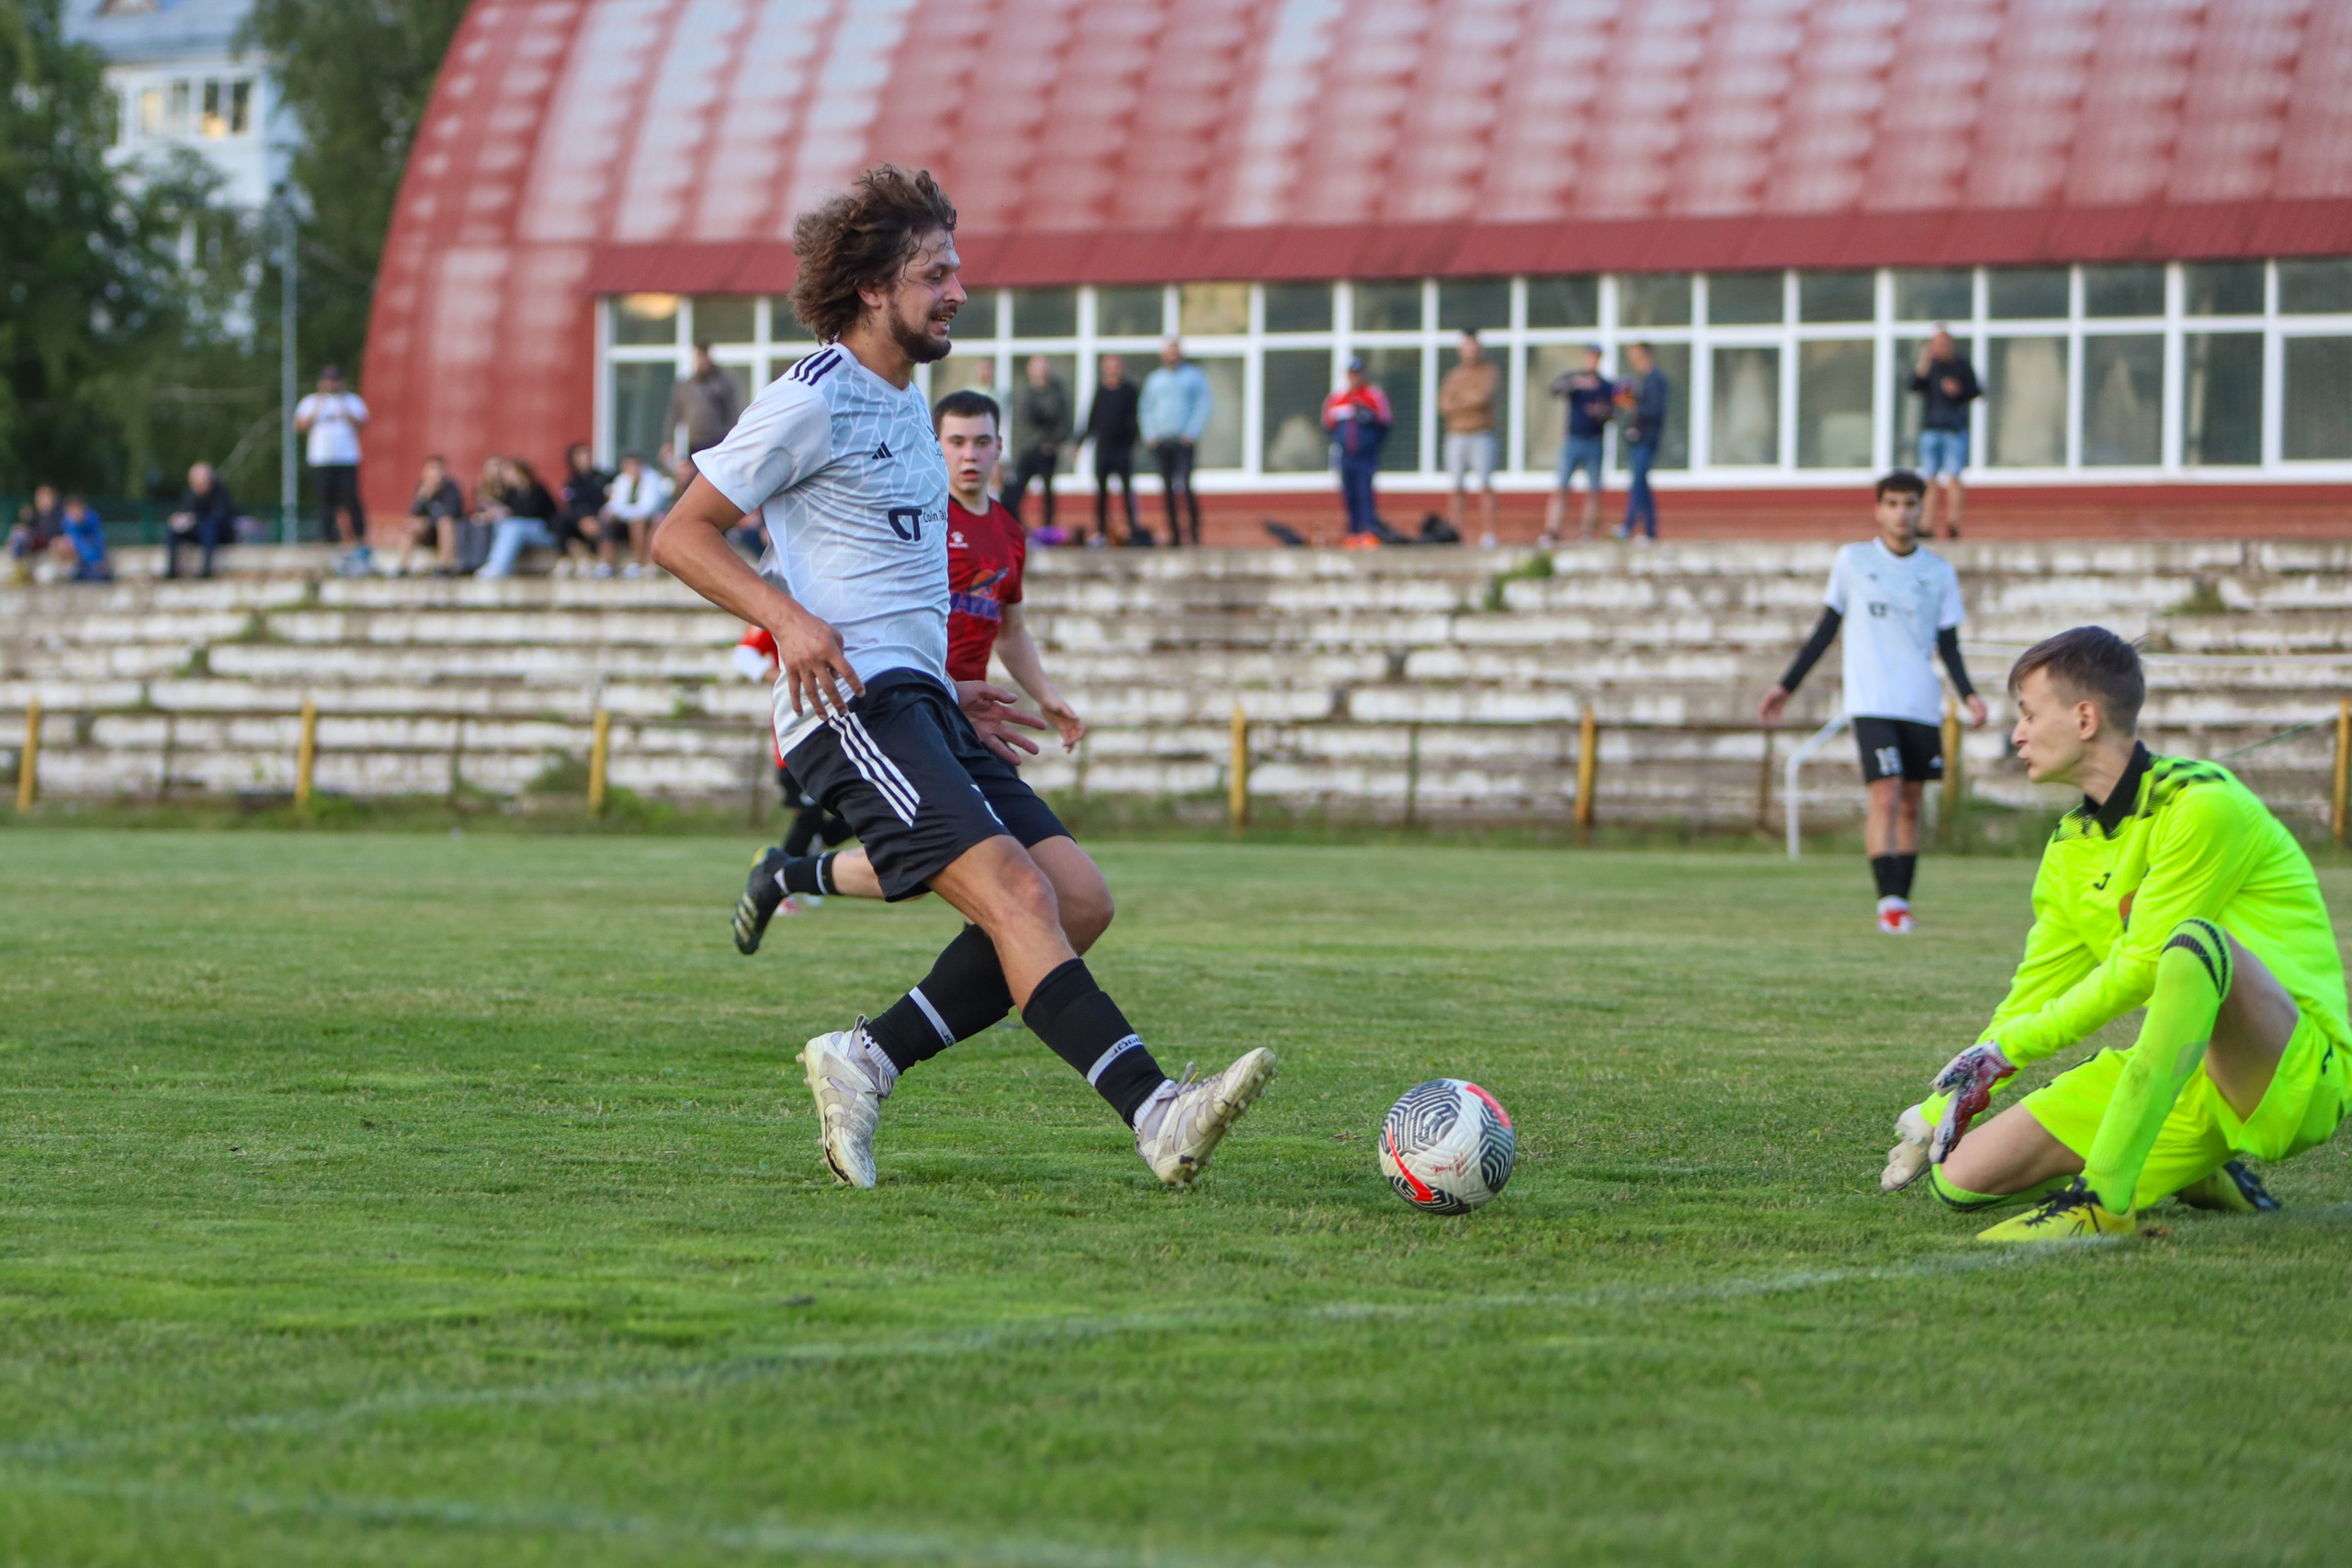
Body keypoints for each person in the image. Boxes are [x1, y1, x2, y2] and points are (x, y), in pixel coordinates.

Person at [648, 164, 1273, 1190]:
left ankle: (867, 1057)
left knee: (1076, 900)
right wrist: (789, 619)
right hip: (848, 709)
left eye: (956, 269)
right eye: (935, 271)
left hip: (921, 699)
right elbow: (678, 534)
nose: (958, 290)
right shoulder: (811, 398)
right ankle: (1159, 1113)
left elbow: (883, 572)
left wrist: (951, 680)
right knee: (1019, 893)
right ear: (872, 290)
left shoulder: (907, 404)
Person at [1878, 626, 2350, 1243]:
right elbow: (2031, 995)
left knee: (2191, 944)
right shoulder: (2068, 849)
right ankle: (2195, 1169)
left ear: (2084, 717)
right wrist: (1943, 1105)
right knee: (1960, 1176)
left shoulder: (2202, 805)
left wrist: (2011, 1048)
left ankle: (2104, 1200)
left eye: (2027, 713)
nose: (2015, 733)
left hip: (2290, 1072)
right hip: (2179, 1075)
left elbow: (2143, 966)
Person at [735, 386, 1089, 950]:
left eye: (981, 442)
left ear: (1001, 448)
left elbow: (1012, 628)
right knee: (967, 872)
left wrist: (1044, 694)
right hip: (907, 710)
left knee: (995, 877)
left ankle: (787, 876)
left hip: (972, 721)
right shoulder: (915, 517)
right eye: (955, 442)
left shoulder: (1008, 536)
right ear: (935, 446)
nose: (969, 455)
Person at [1758, 471, 1986, 933]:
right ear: (1878, 509)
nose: (1902, 513)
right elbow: (1827, 629)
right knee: (1886, 791)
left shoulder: (1938, 572)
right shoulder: (1854, 561)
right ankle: (1888, 905)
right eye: (1893, 504)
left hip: (1920, 701)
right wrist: (1787, 685)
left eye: (1910, 505)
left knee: (1911, 801)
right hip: (1871, 701)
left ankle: (1902, 900)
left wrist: (1969, 696)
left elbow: (1949, 644)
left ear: (1922, 510)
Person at [293, 365, 369, 574]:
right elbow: (299, 426)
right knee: (326, 500)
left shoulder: (352, 401)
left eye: (335, 380)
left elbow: (363, 423)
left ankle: (358, 535)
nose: (332, 384)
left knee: (349, 498)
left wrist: (343, 407)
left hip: (347, 458)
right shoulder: (311, 402)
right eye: (328, 380)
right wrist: (318, 407)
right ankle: (329, 535)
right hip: (321, 459)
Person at [1911, 328, 1981, 540]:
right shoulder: (1930, 367)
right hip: (1931, 428)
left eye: (1944, 343)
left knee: (1953, 478)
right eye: (1936, 343)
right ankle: (1926, 525)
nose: (1940, 347)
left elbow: (1975, 391)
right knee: (1929, 479)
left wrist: (1958, 391)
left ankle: (1953, 524)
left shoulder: (1962, 366)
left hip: (1954, 429)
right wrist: (1924, 360)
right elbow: (1914, 385)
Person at [1139, 337, 1210, 547]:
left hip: (1184, 440)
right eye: (1167, 352)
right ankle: (1175, 535)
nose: (1171, 356)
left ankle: (1194, 534)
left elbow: (1203, 405)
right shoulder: (1155, 380)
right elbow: (1146, 408)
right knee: (1167, 489)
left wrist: (1192, 433)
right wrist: (1150, 434)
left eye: (1174, 351)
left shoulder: (1193, 377)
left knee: (1186, 486)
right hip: (1162, 441)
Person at [1542, 346, 1615, 546]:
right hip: (1573, 440)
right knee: (1562, 486)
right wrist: (1574, 384)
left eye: (1596, 357)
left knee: (1593, 488)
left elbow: (1614, 413)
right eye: (1589, 356)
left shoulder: (1606, 386)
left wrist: (1602, 412)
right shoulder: (1573, 380)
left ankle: (1587, 531)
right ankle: (1552, 529)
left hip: (1594, 440)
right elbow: (1554, 389)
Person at [1321, 356, 1392, 549]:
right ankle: (1353, 533)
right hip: (1346, 455)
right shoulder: (1337, 399)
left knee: (1365, 493)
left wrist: (1372, 438)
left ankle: (1368, 532)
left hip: (1366, 455)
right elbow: (1328, 425)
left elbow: (1385, 423)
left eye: (1357, 373)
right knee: (1349, 494)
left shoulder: (1373, 396)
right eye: (1351, 374)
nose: (1354, 378)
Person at [1439, 331, 1499, 548]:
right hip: (1456, 435)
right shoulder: (1454, 375)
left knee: (1485, 485)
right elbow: (1444, 404)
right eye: (1467, 346)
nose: (1470, 351)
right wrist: (1466, 401)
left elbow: (1482, 398)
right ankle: (1454, 533)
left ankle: (1489, 534)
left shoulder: (1489, 371)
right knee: (1456, 488)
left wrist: (1460, 401)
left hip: (1481, 434)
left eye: (1474, 346)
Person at [1003, 355, 1071, 536]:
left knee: (1048, 493)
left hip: (1046, 451)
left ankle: (1048, 530)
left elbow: (1065, 422)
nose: (1040, 371)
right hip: (1025, 451)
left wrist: (1054, 442)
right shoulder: (1022, 392)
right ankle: (1017, 529)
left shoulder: (1057, 392)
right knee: (1015, 492)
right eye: (1037, 368)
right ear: (1030, 370)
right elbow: (1020, 422)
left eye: (1043, 367)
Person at [1081, 353, 1142, 546]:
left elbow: (1137, 418)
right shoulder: (1101, 391)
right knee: (1101, 493)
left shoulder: (1130, 390)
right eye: (1109, 366)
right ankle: (1100, 532)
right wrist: (1079, 442)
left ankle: (1133, 530)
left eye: (1116, 365)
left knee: (1127, 492)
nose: (1113, 369)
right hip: (1104, 450)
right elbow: (1092, 420)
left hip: (1123, 449)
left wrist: (1135, 440)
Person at [666, 345, 743, 479]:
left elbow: (732, 412)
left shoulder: (722, 384)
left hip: (717, 440)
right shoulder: (685, 386)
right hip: (694, 442)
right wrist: (668, 441)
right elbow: (674, 414)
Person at [1616, 343, 1668, 542]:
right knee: (1641, 483)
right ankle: (1648, 530)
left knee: (1638, 482)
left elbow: (1656, 411)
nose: (1631, 358)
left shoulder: (1655, 379)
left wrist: (1634, 406)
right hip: (1638, 439)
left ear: (1644, 354)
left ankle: (1630, 527)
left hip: (1647, 439)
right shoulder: (1640, 379)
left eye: (1634, 353)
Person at [477, 457, 560, 578]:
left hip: (545, 531)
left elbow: (532, 512)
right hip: (523, 530)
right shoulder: (512, 493)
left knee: (514, 525)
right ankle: (496, 564)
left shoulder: (537, 489)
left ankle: (499, 567)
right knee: (503, 523)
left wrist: (508, 512)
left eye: (509, 473)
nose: (506, 477)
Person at [599, 453, 671, 578]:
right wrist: (613, 513)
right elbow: (614, 504)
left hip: (650, 519)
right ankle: (608, 563)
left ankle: (639, 561)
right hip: (628, 518)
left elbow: (648, 507)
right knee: (606, 518)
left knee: (638, 522)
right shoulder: (622, 480)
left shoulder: (652, 479)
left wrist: (622, 513)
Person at [164, 462, 237, 580]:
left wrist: (196, 519)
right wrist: (180, 519)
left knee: (207, 526)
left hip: (218, 533)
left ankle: (206, 569)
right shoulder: (191, 494)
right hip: (198, 532)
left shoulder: (221, 492)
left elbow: (220, 517)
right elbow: (186, 512)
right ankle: (171, 570)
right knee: (173, 529)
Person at [403, 456, 468, 576]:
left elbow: (451, 514)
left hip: (450, 533)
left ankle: (444, 567)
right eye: (431, 469)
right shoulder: (422, 488)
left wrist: (428, 521)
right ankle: (403, 567)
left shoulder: (451, 488)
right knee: (409, 525)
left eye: (438, 469)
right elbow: (415, 514)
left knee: (445, 523)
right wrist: (423, 498)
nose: (435, 473)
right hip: (429, 532)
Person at [555, 443, 610, 576]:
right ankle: (564, 558)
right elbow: (571, 504)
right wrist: (582, 518)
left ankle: (592, 557)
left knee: (595, 525)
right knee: (559, 521)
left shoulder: (602, 478)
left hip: (598, 518)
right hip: (579, 520)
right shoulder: (572, 481)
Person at [8, 485, 63, 582]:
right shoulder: (36, 515)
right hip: (36, 544)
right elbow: (30, 529)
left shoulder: (59, 515)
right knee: (18, 535)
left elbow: (55, 533)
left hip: (50, 544)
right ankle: (20, 569)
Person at [56, 495, 111, 581]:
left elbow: (98, 542)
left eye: (76, 509)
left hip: (94, 558)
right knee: (60, 543)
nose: (73, 513)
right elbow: (77, 541)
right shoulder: (68, 522)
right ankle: (71, 569)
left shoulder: (92, 518)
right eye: (70, 510)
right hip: (81, 558)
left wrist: (97, 560)